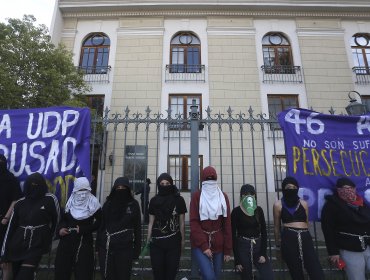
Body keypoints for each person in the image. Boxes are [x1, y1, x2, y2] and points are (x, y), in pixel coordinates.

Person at [1, 172, 60, 280]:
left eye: (37, 184)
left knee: (24, 276)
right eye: (31, 184)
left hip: (37, 244)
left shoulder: (50, 199)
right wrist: (4, 255)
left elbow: (57, 220)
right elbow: (11, 228)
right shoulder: (20, 203)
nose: (34, 187)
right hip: (17, 245)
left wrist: (50, 238)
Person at [273, 176, 324, 280]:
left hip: (304, 236)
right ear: (283, 188)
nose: (291, 189)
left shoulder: (303, 203)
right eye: (288, 187)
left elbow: (306, 222)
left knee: (315, 269)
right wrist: (278, 246)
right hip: (288, 237)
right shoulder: (278, 205)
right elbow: (276, 226)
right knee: (295, 269)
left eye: (294, 187)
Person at [321, 177, 370, 280]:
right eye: (344, 188)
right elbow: (327, 229)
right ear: (338, 190)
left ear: (355, 189)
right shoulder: (332, 205)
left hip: (367, 246)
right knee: (357, 277)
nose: (347, 191)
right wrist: (333, 252)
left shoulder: (362, 204)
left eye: (350, 188)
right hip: (349, 248)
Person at [54, 177, 102, 280]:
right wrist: (61, 229)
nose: (82, 193)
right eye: (80, 190)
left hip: (84, 243)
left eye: (85, 190)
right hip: (66, 242)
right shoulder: (70, 202)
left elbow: (100, 222)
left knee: (83, 273)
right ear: (75, 190)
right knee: (62, 271)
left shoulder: (94, 203)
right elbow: (63, 220)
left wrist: (85, 229)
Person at [190, 166, 232, 280]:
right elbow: (194, 223)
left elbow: (227, 223)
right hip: (200, 243)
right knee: (209, 276)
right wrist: (204, 246)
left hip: (218, 243)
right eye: (207, 179)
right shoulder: (197, 197)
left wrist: (228, 249)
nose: (210, 182)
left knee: (216, 276)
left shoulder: (223, 197)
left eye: (212, 179)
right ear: (203, 180)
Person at [96, 177, 141, 280]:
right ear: (114, 189)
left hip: (125, 248)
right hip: (106, 246)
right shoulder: (108, 204)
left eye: (123, 187)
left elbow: (137, 228)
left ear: (128, 189)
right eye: (118, 187)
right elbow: (102, 225)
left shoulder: (133, 205)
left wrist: (137, 249)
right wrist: (97, 246)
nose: (121, 190)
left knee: (123, 276)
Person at [146, 173, 187, 280]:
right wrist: (148, 239)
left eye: (167, 183)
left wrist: (183, 241)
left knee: (171, 274)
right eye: (162, 183)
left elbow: (182, 222)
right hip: (156, 243)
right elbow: (151, 222)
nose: (164, 186)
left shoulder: (179, 200)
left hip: (174, 243)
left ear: (171, 184)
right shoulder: (154, 200)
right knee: (158, 274)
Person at [231, 184, 274, 280]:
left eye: (251, 194)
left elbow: (264, 232)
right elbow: (233, 236)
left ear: (255, 196)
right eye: (245, 194)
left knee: (268, 275)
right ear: (241, 196)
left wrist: (263, 253)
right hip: (243, 246)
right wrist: (237, 260)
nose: (248, 196)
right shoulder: (236, 212)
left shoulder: (258, 210)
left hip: (257, 245)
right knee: (246, 276)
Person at [0, 155, 22, 280]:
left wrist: (5, 218)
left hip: (4, 223)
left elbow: (15, 200)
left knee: (5, 261)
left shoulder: (11, 179)